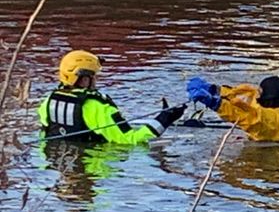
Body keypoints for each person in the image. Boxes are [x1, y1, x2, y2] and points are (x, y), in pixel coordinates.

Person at [38, 50, 184, 144]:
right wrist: (164, 120)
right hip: (94, 165)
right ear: (83, 79)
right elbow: (129, 139)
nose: (95, 80)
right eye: (93, 76)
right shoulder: (98, 107)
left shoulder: (49, 100)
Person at [186, 75, 279, 143]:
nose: (257, 97)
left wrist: (214, 103)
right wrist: (215, 90)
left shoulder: (269, 120)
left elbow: (242, 115)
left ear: (269, 101)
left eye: (261, 94)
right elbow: (248, 98)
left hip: (269, 159)